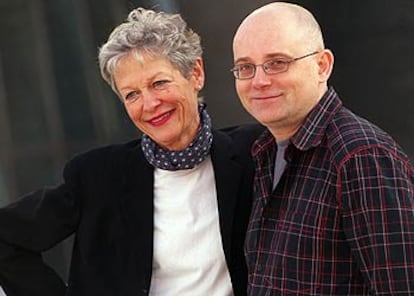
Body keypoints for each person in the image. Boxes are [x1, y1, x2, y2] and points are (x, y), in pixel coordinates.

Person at [0, 7, 263, 296]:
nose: (149, 104)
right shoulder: (98, 176)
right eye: (132, 94)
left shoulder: (256, 152)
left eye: (159, 83)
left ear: (196, 74)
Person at [231, 2, 414, 295]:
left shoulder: (362, 156)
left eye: (277, 62)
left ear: (322, 65)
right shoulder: (263, 151)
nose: (260, 81)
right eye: (245, 67)